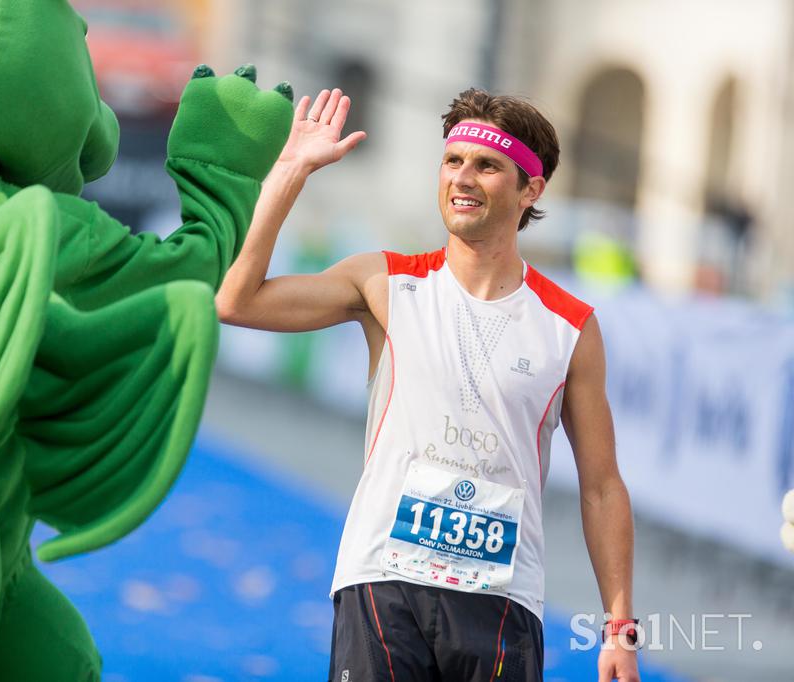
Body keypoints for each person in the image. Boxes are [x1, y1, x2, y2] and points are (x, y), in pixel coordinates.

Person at [216, 87, 641, 682]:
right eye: (452, 160)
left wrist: (620, 628)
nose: (462, 178)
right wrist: (290, 171)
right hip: (383, 578)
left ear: (531, 190)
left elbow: (601, 488)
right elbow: (236, 301)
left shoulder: (569, 328)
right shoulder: (383, 282)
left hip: (501, 598)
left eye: (487, 165)